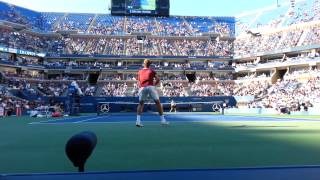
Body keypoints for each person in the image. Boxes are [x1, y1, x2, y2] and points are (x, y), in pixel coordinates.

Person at [136, 59, 169, 127]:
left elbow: (138, 82)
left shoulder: (139, 72)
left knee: (141, 104)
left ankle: (138, 121)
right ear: (149, 65)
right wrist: (154, 85)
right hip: (150, 87)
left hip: (142, 88)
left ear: (143, 64)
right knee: (158, 103)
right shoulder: (152, 71)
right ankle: (162, 120)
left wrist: (141, 87)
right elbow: (158, 79)